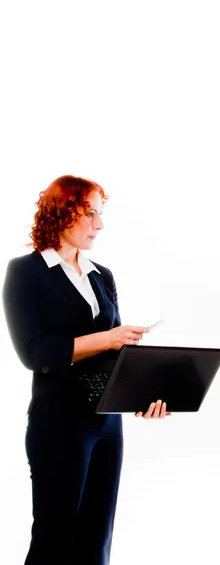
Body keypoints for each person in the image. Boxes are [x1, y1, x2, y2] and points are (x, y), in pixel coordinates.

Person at [2, 175, 170, 565]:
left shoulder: (101, 275)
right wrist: (108, 338)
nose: (99, 224)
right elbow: (36, 353)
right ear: (62, 213)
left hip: (107, 423)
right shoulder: (26, 272)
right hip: (58, 421)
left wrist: (143, 397)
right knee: (54, 540)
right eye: (90, 213)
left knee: (96, 542)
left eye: (101, 213)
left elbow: (117, 356)